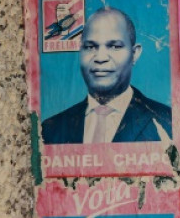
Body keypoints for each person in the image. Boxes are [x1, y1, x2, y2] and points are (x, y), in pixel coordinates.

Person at [41, 7, 172, 144]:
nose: (101, 58)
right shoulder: (50, 130)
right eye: (90, 47)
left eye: (115, 46)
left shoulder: (167, 121)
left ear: (134, 54)